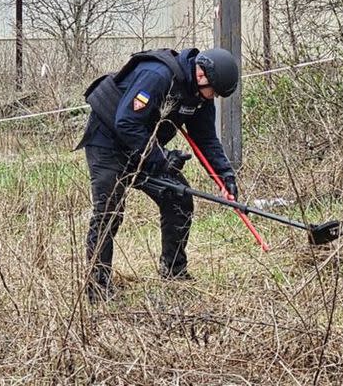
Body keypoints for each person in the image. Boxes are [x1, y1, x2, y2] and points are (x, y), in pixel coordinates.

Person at [76, 47, 240, 302]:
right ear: (201, 75)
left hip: (143, 145)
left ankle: (173, 271)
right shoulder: (158, 75)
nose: (213, 97)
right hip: (108, 141)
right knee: (110, 210)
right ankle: (98, 288)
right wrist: (162, 158)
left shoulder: (199, 97)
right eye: (214, 91)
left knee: (178, 197)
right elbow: (127, 122)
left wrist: (224, 174)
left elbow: (206, 139)